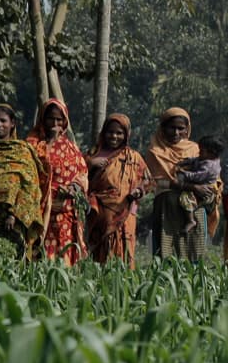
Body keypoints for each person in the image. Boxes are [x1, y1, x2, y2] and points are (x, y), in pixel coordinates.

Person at [0, 104, 49, 258]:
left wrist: (13, 215)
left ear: (12, 123)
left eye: (3, 121)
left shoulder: (23, 152)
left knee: (15, 265)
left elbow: (30, 188)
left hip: (15, 223)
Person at [144, 108, 214, 260]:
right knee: (166, 251)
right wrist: (191, 186)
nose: (176, 133)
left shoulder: (196, 149)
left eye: (180, 128)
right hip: (166, 207)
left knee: (194, 252)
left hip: (195, 207)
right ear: (163, 128)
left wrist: (208, 188)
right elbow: (158, 181)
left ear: (187, 129)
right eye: (172, 128)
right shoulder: (154, 151)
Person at [26, 99, 89, 265]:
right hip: (38, 211)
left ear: (65, 121)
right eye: (50, 119)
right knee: (38, 254)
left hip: (63, 213)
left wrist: (74, 188)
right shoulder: (32, 145)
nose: (55, 123)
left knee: (63, 256)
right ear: (42, 119)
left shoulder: (71, 148)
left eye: (59, 119)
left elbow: (82, 173)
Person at [86, 113, 150, 265]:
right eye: (110, 132)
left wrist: (138, 191)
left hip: (125, 213)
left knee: (124, 252)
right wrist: (91, 164)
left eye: (119, 133)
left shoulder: (134, 157)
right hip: (100, 213)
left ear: (126, 134)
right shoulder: (92, 154)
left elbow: (147, 181)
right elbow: (77, 174)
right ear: (104, 132)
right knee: (99, 254)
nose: (114, 136)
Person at [171, 135, 222, 234]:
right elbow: (194, 160)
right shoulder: (204, 159)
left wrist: (183, 173)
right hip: (197, 186)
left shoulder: (210, 167)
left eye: (202, 151)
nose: (199, 153)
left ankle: (191, 220)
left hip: (205, 192)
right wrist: (184, 162)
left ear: (211, 153)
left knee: (185, 198)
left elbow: (197, 176)